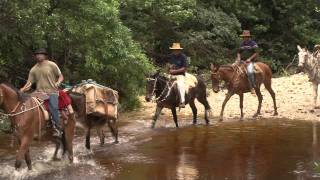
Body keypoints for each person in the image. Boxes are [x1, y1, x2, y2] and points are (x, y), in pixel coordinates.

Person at [20, 48, 64, 137]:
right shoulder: (33, 69)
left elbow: (61, 76)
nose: (39, 55)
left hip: (52, 92)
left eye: (41, 54)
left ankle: (58, 128)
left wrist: (58, 82)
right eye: (37, 54)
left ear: (45, 55)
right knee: (26, 104)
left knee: (53, 108)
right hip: (39, 93)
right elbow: (29, 83)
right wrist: (22, 89)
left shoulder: (52, 65)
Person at [236, 30, 259, 94]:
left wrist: (249, 58)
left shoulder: (253, 43)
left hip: (251, 61)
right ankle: (233, 86)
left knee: (250, 72)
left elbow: (256, 53)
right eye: (244, 37)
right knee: (232, 68)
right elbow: (238, 52)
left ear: (249, 37)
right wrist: (238, 58)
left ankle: (252, 87)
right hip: (242, 60)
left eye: (246, 37)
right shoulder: (241, 44)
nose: (245, 38)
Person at [168, 43, 188, 108]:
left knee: (180, 85)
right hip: (172, 74)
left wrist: (174, 71)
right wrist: (169, 68)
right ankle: (162, 99)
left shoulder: (183, 56)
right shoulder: (171, 56)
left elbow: (184, 68)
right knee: (162, 82)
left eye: (176, 50)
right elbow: (169, 65)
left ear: (179, 50)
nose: (175, 51)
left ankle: (182, 101)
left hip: (180, 75)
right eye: (174, 50)